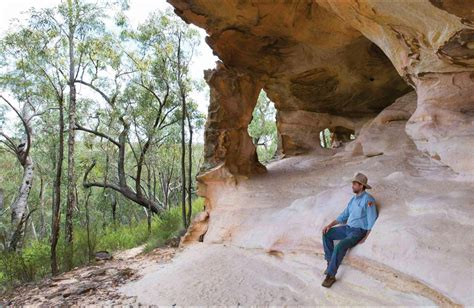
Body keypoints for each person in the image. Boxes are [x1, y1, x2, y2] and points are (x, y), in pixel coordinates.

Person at [320, 172, 378, 288]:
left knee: (340, 246)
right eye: (353, 184)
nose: (352, 186)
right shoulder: (353, 199)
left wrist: (365, 236)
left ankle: (330, 275)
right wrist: (330, 225)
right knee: (326, 234)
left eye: (355, 184)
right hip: (347, 228)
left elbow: (372, 219)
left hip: (358, 231)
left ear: (361, 186)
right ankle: (330, 263)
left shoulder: (368, 200)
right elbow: (344, 215)